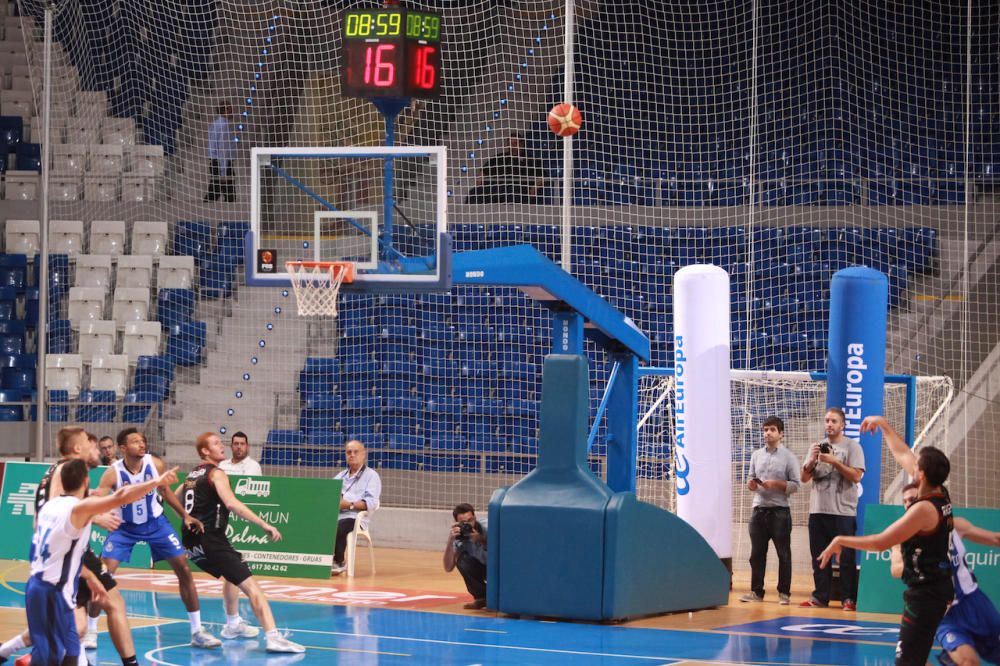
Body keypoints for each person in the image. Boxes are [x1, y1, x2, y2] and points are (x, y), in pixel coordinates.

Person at [0, 427, 141, 665]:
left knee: (75, 625)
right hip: (68, 554)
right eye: (90, 443)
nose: (94, 448)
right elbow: (57, 511)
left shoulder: (62, 472)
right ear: (78, 448)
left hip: (64, 556)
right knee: (105, 607)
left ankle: (7, 651)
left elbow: (52, 511)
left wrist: (90, 500)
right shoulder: (64, 470)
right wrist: (96, 516)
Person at [820, 416, 954, 666]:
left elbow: (880, 542)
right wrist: (883, 424)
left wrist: (841, 539)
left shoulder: (923, 510)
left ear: (921, 475)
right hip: (936, 588)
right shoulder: (940, 492)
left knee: (907, 662)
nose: (911, 465)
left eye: (917, 466)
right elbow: (902, 453)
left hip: (927, 594)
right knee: (917, 658)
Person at [25, 457, 179, 665]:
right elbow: (122, 496)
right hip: (57, 583)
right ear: (86, 481)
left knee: (74, 632)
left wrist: (90, 576)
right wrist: (155, 482)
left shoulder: (49, 508)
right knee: (63, 639)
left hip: (38, 582)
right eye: (92, 446)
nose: (97, 451)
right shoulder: (78, 507)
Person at [872, 417, 1000, 666]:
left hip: (973, 601)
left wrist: (884, 425)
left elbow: (904, 455)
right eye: (905, 501)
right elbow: (897, 570)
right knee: (966, 662)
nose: (910, 503)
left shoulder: (946, 515)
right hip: (941, 607)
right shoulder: (906, 535)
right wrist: (896, 549)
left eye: (913, 498)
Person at [178, 433, 305, 653]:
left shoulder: (190, 476)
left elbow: (175, 498)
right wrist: (263, 523)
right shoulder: (216, 473)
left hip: (191, 541)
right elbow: (231, 503)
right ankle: (273, 636)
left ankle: (233, 624)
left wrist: (185, 517)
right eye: (216, 443)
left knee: (232, 572)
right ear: (205, 451)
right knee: (252, 586)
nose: (222, 446)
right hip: (211, 538)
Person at [96, 427, 221, 648]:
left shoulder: (155, 464)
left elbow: (165, 492)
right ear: (123, 448)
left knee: (183, 568)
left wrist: (185, 515)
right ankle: (88, 631)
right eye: (135, 442)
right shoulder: (112, 472)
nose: (141, 444)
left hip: (156, 524)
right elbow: (99, 498)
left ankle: (197, 631)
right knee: (103, 577)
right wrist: (102, 516)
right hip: (124, 527)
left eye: (142, 441)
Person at [799, 406, 866, 610]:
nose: (829, 424)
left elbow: (856, 476)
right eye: (827, 420)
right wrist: (811, 460)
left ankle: (848, 599)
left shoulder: (852, 447)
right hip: (818, 510)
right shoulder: (818, 447)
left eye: (834, 421)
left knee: (846, 558)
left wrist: (835, 462)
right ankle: (820, 597)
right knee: (819, 556)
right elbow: (803, 478)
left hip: (843, 512)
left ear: (842, 425)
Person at [739, 416, 799, 605]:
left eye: (772, 430)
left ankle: (784, 593)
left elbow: (796, 485)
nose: (767, 433)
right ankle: (756, 591)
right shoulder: (756, 455)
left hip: (780, 511)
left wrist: (777, 484)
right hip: (759, 510)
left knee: (784, 554)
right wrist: (751, 484)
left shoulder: (789, 457)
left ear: (781, 434)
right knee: (756, 554)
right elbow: (750, 479)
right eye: (765, 430)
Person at [331, 440, 381, 576]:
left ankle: (339, 561)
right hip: (336, 514)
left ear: (363, 454)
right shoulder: (340, 476)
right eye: (348, 452)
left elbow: (370, 503)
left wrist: (348, 504)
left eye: (355, 452)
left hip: (356, 518)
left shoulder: (372, 476)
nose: (352, 455)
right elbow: (328, 493)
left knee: (340, 525)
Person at [465, 134, 544, 204]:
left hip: (519, 189)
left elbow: (541, 176)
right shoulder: (500, 158)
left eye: (515, 143)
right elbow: (484, 170)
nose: (512, 146)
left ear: (521, 144)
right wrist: (480, 177)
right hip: (499, 188)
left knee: (512, 191)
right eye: (510, 144)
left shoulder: (531, 160)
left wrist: (535, 187)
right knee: (474, 192)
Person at [444, 503, 488, 610]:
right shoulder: (460, 537)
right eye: (464, 523)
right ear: (457, 523)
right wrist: (451, 539)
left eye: (470, 520)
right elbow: (448, 567)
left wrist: (482, 540)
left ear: (475, 518)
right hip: (483, 567)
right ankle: (481, 597)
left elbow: (504, 550)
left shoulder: (488, 527)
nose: (469, 525)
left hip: (500, 568)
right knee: (462, 561)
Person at [205, 102, 235, 203]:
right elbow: (223, 148)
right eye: (230, 110)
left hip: (216, 160)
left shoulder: (215, 123)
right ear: (224, 111)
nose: (232, 113)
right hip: (221, 161)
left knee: (216, 188)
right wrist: (223, 168)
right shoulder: (224, 126)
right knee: (225, 190)